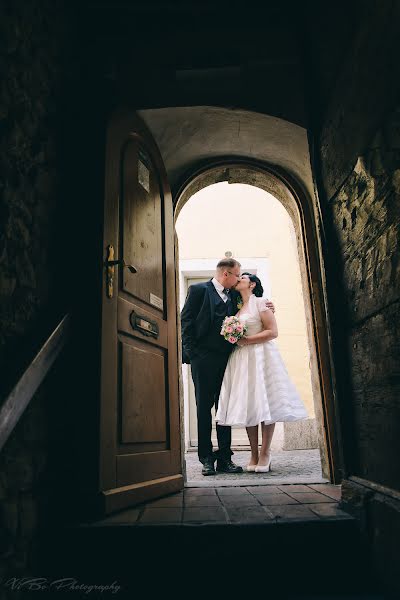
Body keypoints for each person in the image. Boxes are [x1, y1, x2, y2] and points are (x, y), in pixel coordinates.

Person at [181, 259, 274, 476]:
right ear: (226, 274)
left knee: (224, 408)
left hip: (228, 359)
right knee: (204, 408)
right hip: (202, 359)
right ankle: (206, 458)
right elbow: (185, 321)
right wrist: (193, 354)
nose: (239, 278)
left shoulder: (234, 295)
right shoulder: (198, 290)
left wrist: (269, 305)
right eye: (237, 275)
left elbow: (253, 306)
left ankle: (225, 459)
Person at [215, 273, 309, 473]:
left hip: (260, 357)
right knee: (250, 405)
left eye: (243, 276)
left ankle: (265, 453)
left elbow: (273, 331)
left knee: (266, 403)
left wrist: (246, 341)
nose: (238, 278)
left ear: (253, 284)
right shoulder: (237, 306)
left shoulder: (261, 303)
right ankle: (254, 454)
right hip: (242, 360)